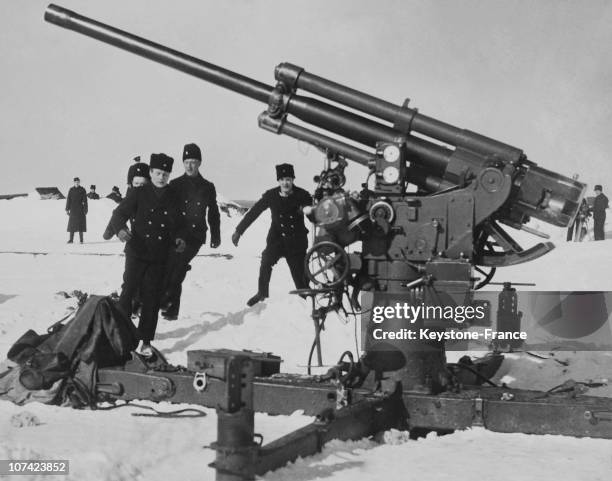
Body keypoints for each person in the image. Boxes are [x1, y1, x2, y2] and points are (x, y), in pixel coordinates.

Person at [108, 153, 186, 357]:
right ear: (151, 172)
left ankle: (146, 341)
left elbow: (180, 225)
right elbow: (118, 215)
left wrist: (180, 239)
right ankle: (120, 334)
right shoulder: (138, 193)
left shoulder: (174, 196)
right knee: (127, 293)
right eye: (158, 173)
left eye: (166, 174)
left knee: (152, 298)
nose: (162, 177)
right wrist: (121, 231)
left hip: (159, 256)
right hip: (136, 251)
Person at [231, 163, 312, 306]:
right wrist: (239, 231)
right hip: (277, 240)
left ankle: (308, 299)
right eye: (282, 179)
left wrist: (310, 211)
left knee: (300, 278)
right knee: (266, 261)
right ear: (278, 181)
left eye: (288, 179)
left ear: (293, 179)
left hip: (296, 242)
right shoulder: (271, 195)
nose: (285, 183)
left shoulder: (303, 195)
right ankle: (262, 293)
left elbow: (314, 217)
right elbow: (254, 212)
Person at [160, 143, 221, 320]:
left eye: (193, 161)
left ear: (200, 163)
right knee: (172, 266)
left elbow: (214, 212)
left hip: (195, 235)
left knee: (178, 264)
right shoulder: (175, 184)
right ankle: (169, 308)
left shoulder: (207, 186)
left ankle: (169, 305)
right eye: (186, 161)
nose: (189, 165)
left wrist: (215, 235)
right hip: (176, 234)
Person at [65, 177, 88, 244]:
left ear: (79, 182)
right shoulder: (71, 190)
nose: (77, 183)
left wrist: (85, 209)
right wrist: (67, 209)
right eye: (75, 182)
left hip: (80, 209)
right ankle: (71, 240)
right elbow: (68, 200)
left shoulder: (82, 190)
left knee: (80, 225)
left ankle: (81, 240)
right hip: (73, 209)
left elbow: (85, 201)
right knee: (72, 225)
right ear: (74, 182)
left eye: (78, 182)